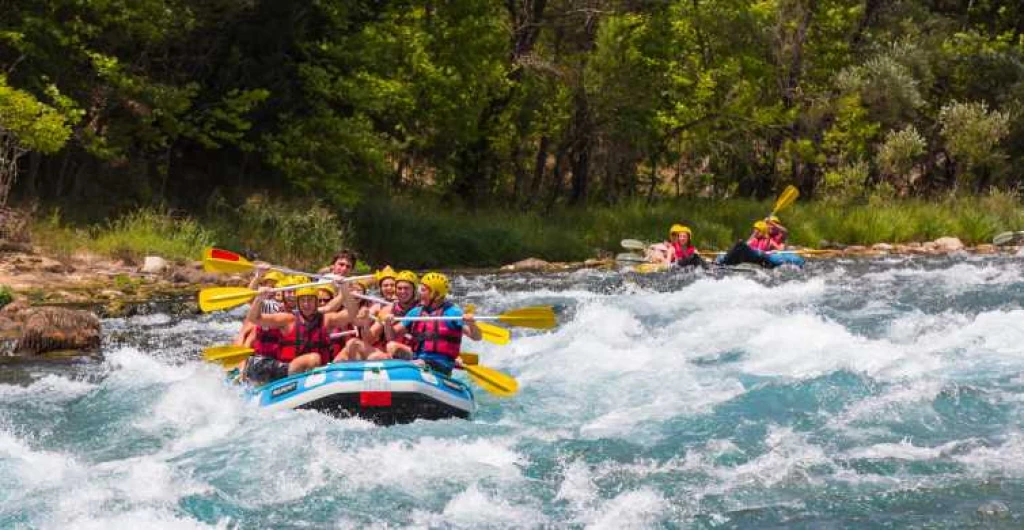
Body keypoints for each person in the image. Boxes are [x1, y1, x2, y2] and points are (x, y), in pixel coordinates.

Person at [242, 281, 359, 385]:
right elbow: (254, 319)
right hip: (286, 371)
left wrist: (344, 289)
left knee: (320, 358)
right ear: (298, 302)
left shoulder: (326, 319)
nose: (306, 304)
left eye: (310, 300)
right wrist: (259, 298)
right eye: (303, 300)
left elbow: (352, 314)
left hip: (313, 372)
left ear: (316, 302)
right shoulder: (288, 320)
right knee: (313, 358)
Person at [387, 272, 481, 376]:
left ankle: (407, 370)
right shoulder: (417, 311)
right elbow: (391, 336)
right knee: (392, 346)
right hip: (418, 357)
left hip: (441, 362)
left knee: (419, 363)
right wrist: (387, 323)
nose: (419, 294)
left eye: (423, 290)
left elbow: (476, 337)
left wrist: (472, 324)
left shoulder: (452, 312)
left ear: (435, 294)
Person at [382, 270, 421, 359]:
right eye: (399, 288)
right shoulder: (391, 307)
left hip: (416, 352)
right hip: (397, 349)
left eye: (406, 288)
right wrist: (387, 323)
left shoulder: (422, 308)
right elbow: (390, 338)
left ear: (414, 290)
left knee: (392, 346)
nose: (402, 291)